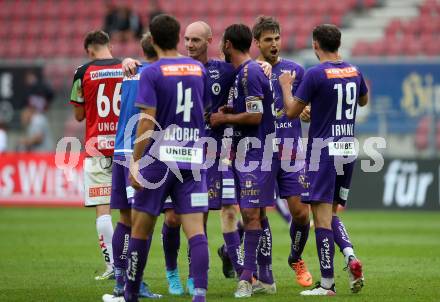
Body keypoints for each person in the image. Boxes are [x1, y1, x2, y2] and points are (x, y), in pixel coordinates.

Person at [106, 14, 210, 302]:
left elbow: (146, 121)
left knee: (140, 227)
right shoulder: (197, 69)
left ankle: (129, 292)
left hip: (159, 160)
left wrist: (136, 161)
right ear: (179, 37)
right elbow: (204, 112)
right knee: (196, 231)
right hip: (192, 159)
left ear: (151, 40)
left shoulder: (152, 72)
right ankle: (199, 294)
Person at [280, 24, 367, 296]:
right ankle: (350, 257)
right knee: (330, 214)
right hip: (348, 149)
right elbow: (363, 101)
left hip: (323, 152)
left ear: (315, 44)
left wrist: (285, 87)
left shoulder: (316, 74)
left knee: (320, 219)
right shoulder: (354, 71)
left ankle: (327, 284)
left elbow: (291, 112)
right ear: (338, 44)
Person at [210, 23, 276, 298]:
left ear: (227, 44)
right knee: (254, 214)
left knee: (249, 214)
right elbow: (248, 110)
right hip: (245, 153)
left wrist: (224, 117)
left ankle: (246, 280)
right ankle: (264, 279)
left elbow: (256, 115)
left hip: (256, 153)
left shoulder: (249, 72)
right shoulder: (243, 74)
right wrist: (231, 109)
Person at [252, 16, 313, 288]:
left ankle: (295, 257)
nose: (274, 44)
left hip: (290, 151)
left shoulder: (296, 70)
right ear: (257, 43)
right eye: (268, 39)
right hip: (259, 151)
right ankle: (263, 273)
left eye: (277, 38)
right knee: (256, 214)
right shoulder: (249, 71)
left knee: (301, 213)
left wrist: (307, 111)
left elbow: (302, 105)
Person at [102, 33, 161, 300]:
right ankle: (133, 283)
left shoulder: (129, 71)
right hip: (140, 153)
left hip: (120, 150)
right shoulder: (156, 74)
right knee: (141, 223)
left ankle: (120, 281)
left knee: (125, 220)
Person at [70, 30, 122, 280]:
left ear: (89, 50)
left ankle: (112, 265)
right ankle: (130, 267)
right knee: (129, 212)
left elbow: (79, 115)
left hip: (97, 148)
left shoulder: (82, 72)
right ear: (109, 45)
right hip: (125, 148)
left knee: (103, 210)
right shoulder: (129, 67)